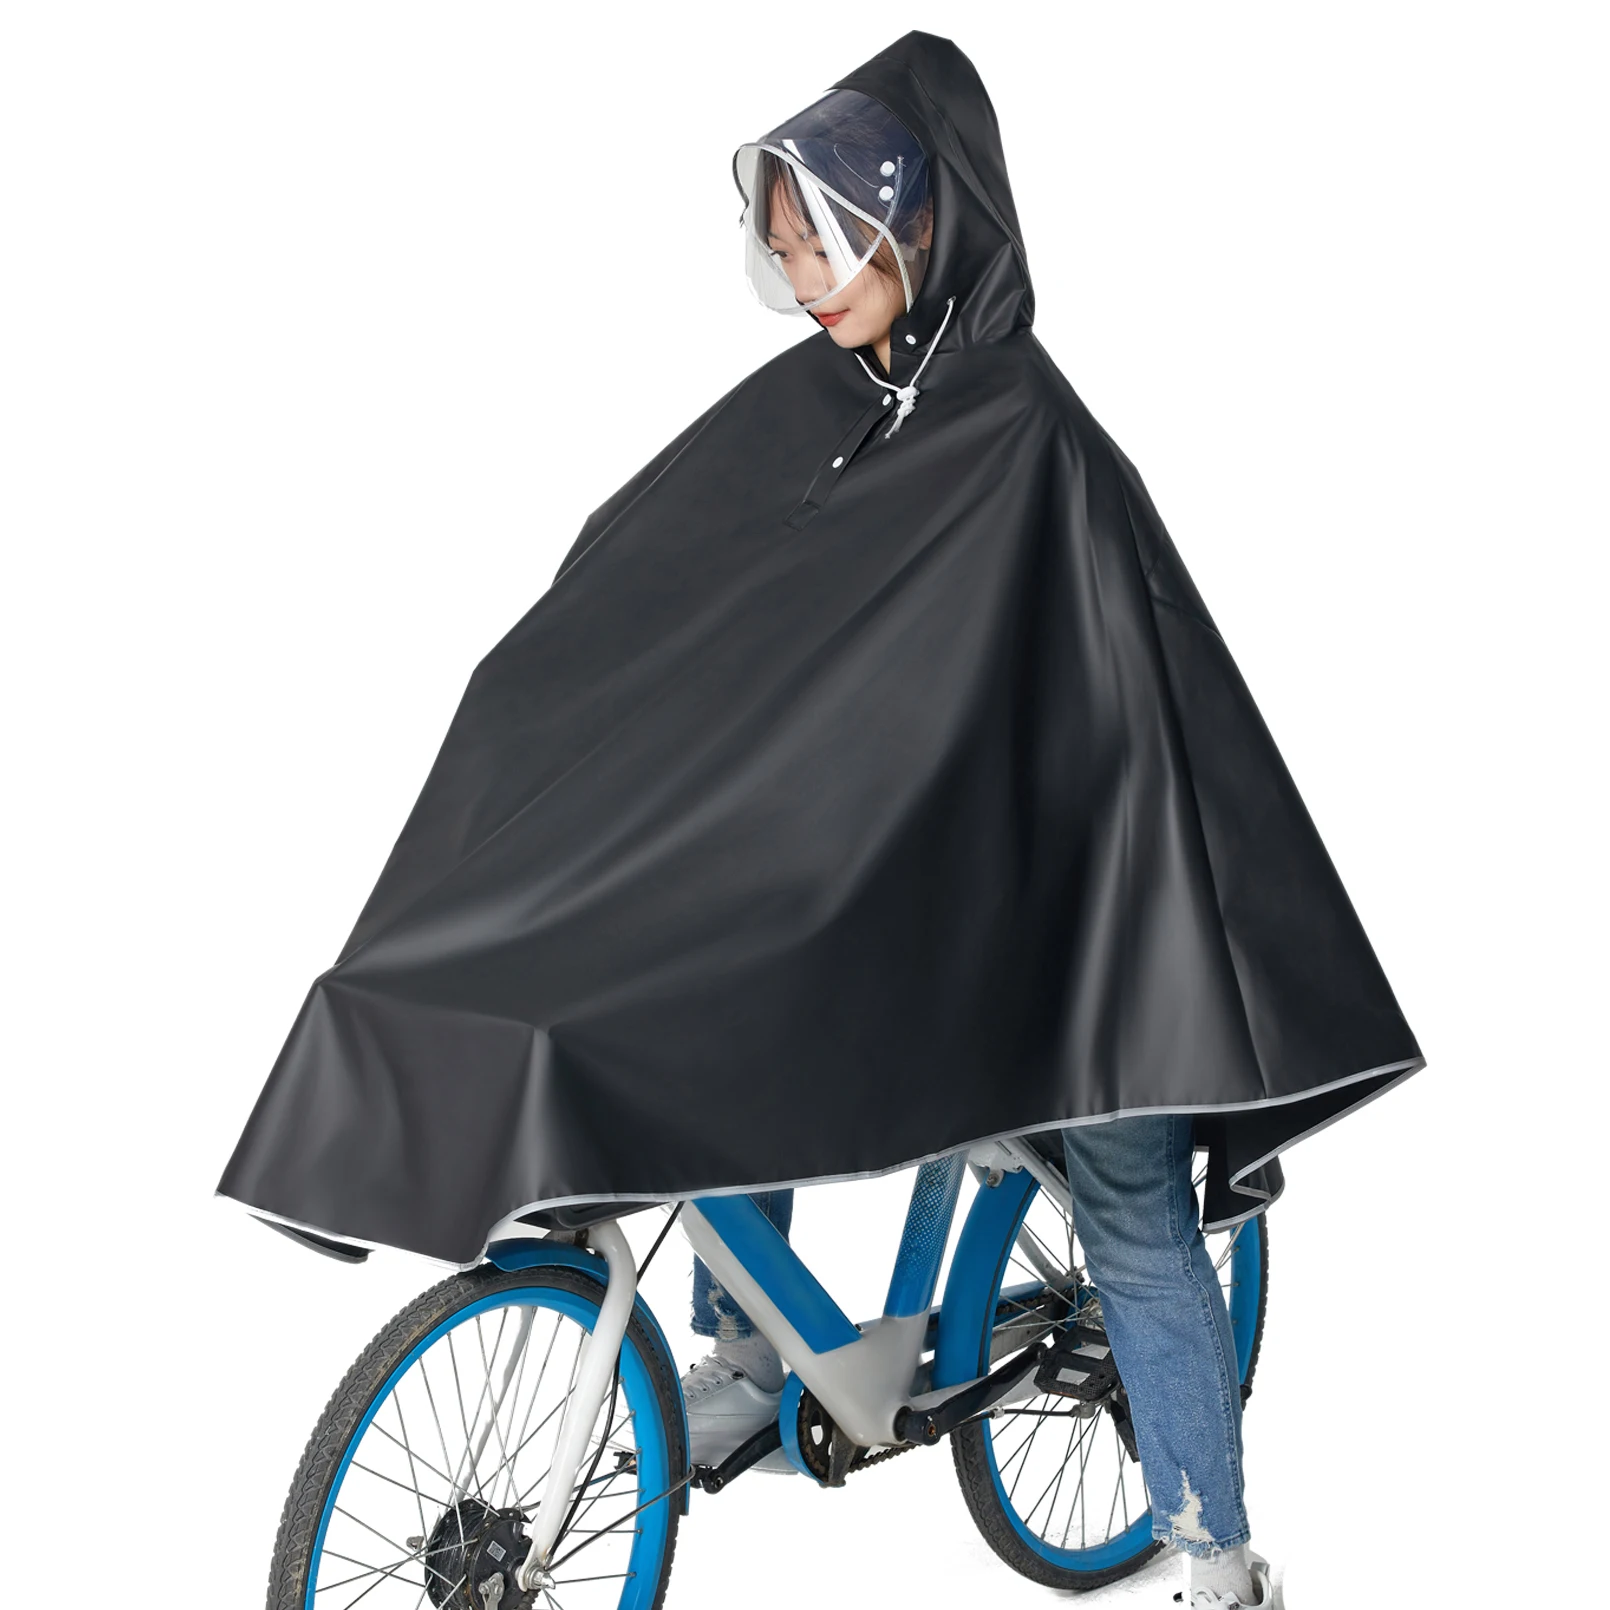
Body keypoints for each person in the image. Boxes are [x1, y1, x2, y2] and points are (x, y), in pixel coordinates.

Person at [677, 75, 1282, 1610]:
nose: (804, 284)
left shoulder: (1022, 429)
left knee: (1129, 1204)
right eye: (784, 254)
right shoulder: (840, 415)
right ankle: (744, 1358)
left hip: (1086, 892)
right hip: (913, 867)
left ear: (914, 226)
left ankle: (1213, 1554)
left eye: (823, 246)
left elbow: (1092, 696)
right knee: (715, 1036)